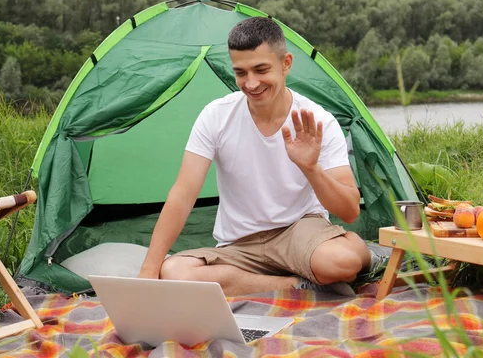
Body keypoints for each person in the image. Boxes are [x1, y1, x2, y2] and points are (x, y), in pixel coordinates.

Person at [138, 16, 383, 296]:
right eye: (240, 73)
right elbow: (182, 196)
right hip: (240, 244)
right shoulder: (216, 116)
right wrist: (148, 271)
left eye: (261, 69)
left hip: (299, 232)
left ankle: (357, 249)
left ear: (286, 63)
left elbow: (350, 210)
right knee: (174, 272)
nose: (251, 83)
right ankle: (295, 285)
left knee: (341, 262)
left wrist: (310, 168)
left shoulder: (318, 121)